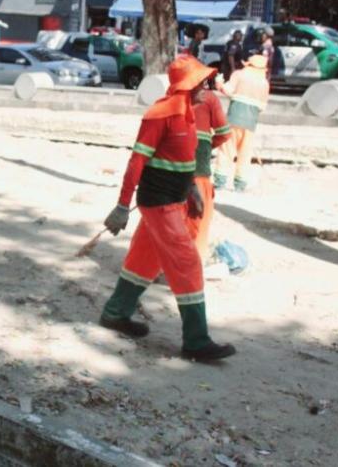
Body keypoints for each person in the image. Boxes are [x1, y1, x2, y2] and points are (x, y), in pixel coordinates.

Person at [98, 55, 236, 363]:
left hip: (172, 199)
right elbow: (137, 162)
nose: (208, 86)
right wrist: (121, 206)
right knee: (187, 264)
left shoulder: (188, 112)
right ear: (188, 85)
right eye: (202, 81)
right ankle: (196, 341)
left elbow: (182, 159)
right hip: (160, 203)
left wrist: (190, 191)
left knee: (144, 261)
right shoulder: (161, 114)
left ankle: (115, 313)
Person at [188, 77, 231, 263]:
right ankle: (194, 260)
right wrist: (208, 147)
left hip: (171, 172)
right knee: (199, 219)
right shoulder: (210, 98)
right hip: (199, 171)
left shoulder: (171, 97)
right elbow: (224, 133)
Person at [213, 55, 270, 192]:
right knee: (245, 154)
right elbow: (262, 107)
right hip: (250, 124)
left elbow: (227, 90)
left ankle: (220, 182)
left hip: (233, 119)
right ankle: (240, 185)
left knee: (226, 150)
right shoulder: (264, 83)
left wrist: (219, 83)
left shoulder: (239, 75)